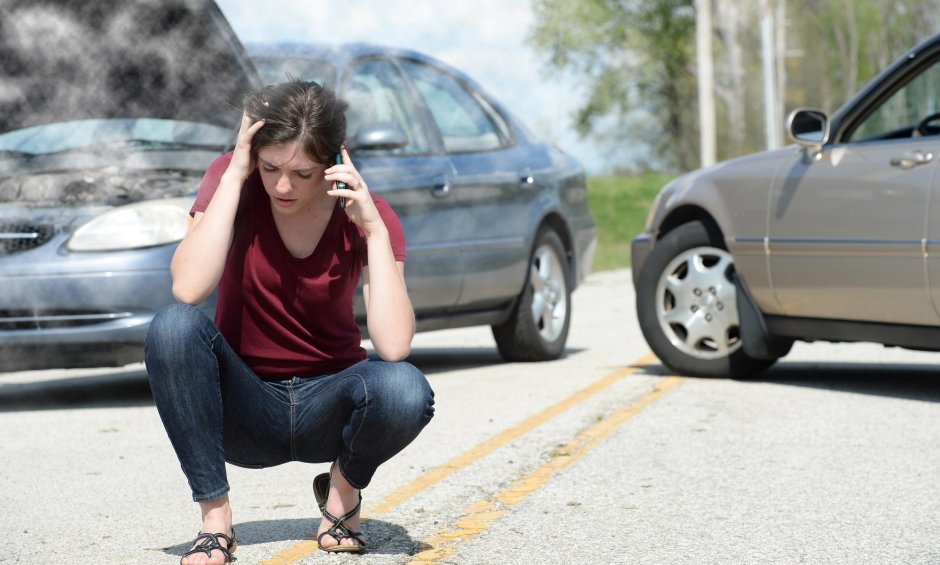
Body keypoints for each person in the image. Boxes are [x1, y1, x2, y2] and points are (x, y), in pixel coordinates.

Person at [145, 79, 435, 564]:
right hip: (245, 407)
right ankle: (215, 522)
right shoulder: (233, 179)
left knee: (405, 387)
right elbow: (188, 289)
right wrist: (237, 171)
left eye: (302, 173)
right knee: (173, 327)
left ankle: (342, 498)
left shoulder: (367, 213)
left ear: (332, 164)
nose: (282, 185)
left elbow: (394, 345)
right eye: (271, 167)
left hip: (331, 406)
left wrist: (374, 231)